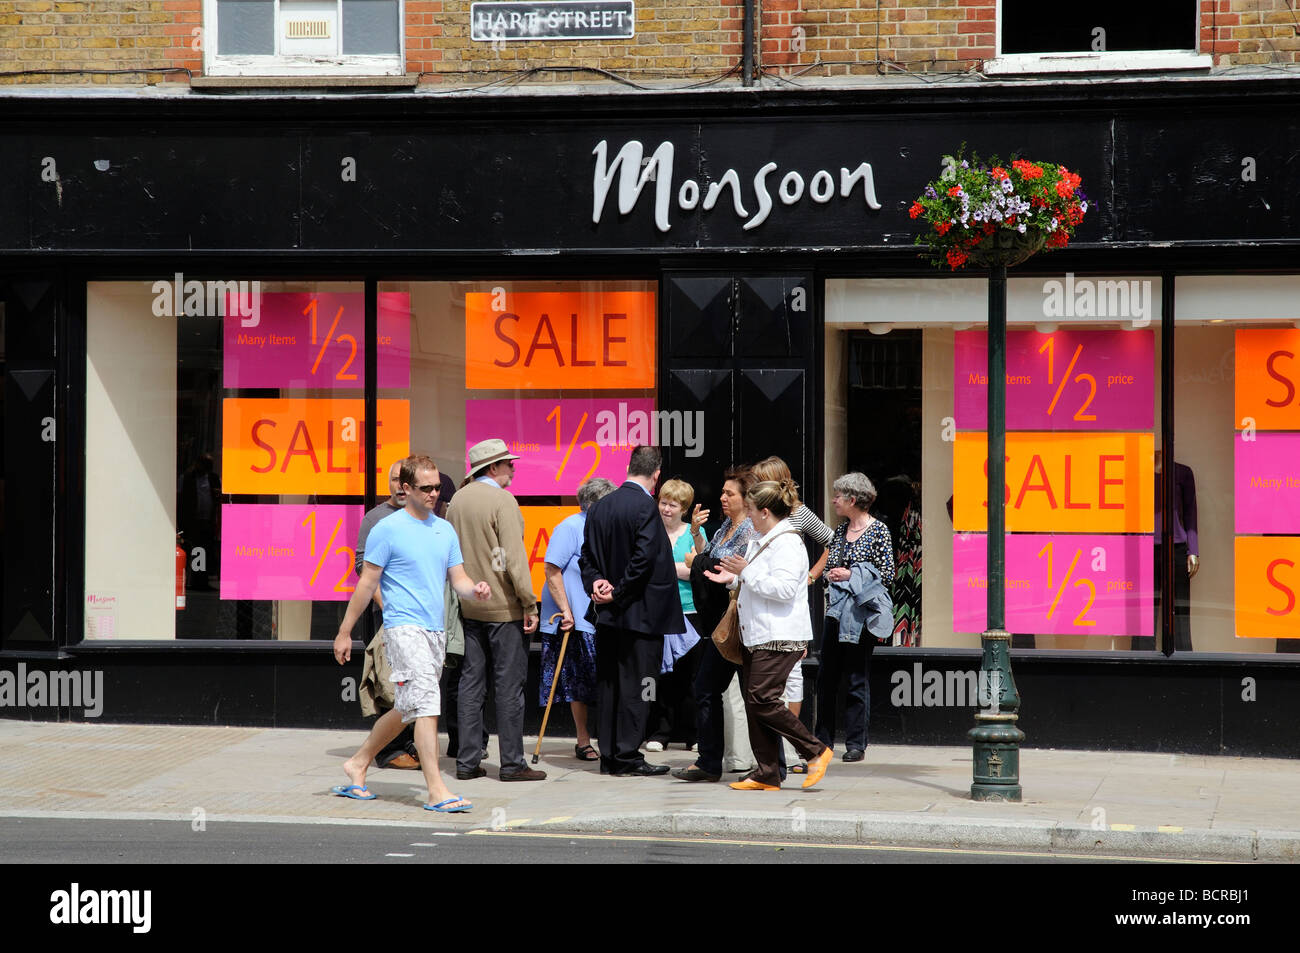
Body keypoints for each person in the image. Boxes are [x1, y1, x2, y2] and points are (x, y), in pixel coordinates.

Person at [330, 454, 490, 813]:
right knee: (428, 705)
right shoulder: (386, 529)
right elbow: (366, 583)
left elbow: (458, 579)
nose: (434, 493)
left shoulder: (443, 529)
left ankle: (358, 763)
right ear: (406, 488)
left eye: (437, 487)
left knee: (408, 707)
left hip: (434, 631)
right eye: (426, 488)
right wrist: (344, 632)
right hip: (402, 628)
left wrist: (474, 589)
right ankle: (436, 790)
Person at [703, 479, 833, 791]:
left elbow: (786, 590)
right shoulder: (761, 539)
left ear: (764, 512)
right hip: (756, 632)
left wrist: (745, 571)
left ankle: (815, 751)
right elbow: (757, 583)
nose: (746, 516)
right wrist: (733, 579)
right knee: (754, 702)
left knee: (762, 699)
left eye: (749, 510)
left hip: (779, 635)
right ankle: (767, 773)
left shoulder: (788, 542)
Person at [579, 445, 684, 777]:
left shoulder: (600, 507)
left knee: (609, 683)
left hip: (608, 618)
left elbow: (587, 557)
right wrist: (618, 591)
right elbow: (644, 560)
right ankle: (627, 756)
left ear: (629, 467)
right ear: (656, 475)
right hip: (641, 617)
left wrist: (597, 584)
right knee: (643, 685)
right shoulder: (646, 508)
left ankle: (610, 754)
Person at [446, 438, 545, 782]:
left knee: (471, 686)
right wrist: (529, 602)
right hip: (503, 608)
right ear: (492, 468)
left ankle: (467, 761)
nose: (513, 468)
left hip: (469, 604)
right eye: (508, 464)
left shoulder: (456, 500)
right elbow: (514, 559)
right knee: (508, 688)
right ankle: (512, 763)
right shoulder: (502, 500)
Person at [672, 466, 760, 783]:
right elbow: (707, 560)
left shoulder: (750, 530)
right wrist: (696, 534)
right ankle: (710, 761)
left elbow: (723, 568)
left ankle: (772, 763)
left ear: (745, 497)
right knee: (710, 688)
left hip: (740, 622)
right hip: (720, 625)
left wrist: (697, 562)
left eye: (729, 493)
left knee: (755, 696)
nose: (722, 497)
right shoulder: (725, 526)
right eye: (723, 492)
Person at [747, 456, 832, 772]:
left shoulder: (797, 513)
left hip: (785, 610)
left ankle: (800, 754)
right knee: (765, 694)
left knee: (782, 685)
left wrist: (810, 576)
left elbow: (831, 541)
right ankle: (771, 765)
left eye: (759, 479)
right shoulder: (758, 511)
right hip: (762, 609)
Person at [814, 472, 895, 763]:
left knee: (856, 679)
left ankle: (856, 743)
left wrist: (851, 574)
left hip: (861, 617)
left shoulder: (879, 531)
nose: (833, 500)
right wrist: (831, 574)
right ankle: (822, 740)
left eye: (838, 496)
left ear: (852, 499)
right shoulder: (839, 531)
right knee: (825, 679)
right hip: (835, 612)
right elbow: (828, 566)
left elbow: (887, 575)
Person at [539, 477, 618, 761]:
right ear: (594, 504)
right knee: (578, 681)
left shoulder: (604, 527)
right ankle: (583, 739)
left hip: (601, 615)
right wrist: (566, 611)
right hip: (574, 618)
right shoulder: (570, 527)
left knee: (601, 679)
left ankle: (609, 738)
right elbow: (551, 569)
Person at [355, 459, 418, 770]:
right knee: (390, 682)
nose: (399, 485)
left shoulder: (422, 516)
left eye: (404, 479)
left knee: (412, 681)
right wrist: (386, 606)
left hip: (417, 617)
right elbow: (362, 568)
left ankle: (407, 742)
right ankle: (387, 751)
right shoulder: (376, 519)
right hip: (390, 616)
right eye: (395, 479)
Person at [645, 478, 709, 752]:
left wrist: (662, 570)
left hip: (689, 613)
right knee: (662, 677)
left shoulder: (694, 534)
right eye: (663, 503)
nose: (666, 509)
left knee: (690, 677)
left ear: (684, 508)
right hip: (657, 614)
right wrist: (679, 569)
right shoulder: (650, 531)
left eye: (672, 505)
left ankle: (693, 734)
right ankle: (661, 733)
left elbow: (698, 570)